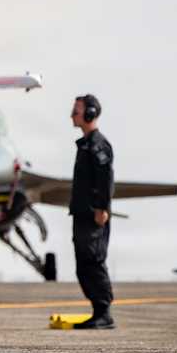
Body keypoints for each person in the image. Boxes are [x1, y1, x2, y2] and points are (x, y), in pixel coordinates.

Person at [69, 95, 115, 329]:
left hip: (93, 214)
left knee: (94, 261)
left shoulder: (98, 144)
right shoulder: (86, 144)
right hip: (82, 213)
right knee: (83, 264)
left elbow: (105, 179)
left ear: (90, 113)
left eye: (76, 111)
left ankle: (104, 313)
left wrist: (102, 208)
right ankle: (98, 311)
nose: (72, 115)